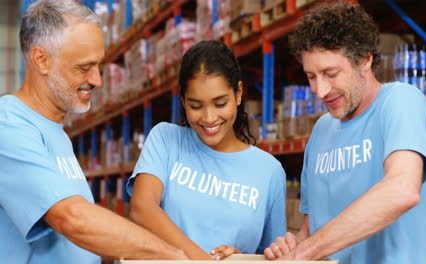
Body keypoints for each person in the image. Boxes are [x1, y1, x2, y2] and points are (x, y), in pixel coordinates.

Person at [0, 0, 188, 263]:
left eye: (98, 66)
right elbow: (73, 218)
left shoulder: (57, 134)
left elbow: (72, 244)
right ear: (41, 60)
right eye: (83, 67)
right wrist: (172, 255)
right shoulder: (8, 125)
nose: (97, 80)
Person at [264, 1, 426, 263]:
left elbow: (402, 188)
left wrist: (304, 252)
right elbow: (311, 231)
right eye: (311, 76)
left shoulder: (400, 101)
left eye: (331, 73)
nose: (320, 91)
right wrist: (291, 246)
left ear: (365, 59)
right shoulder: (321, 131)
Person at [127, 40, 287, 260]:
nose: (209, 118)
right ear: (183, 100)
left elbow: (270, 255)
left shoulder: (269, 171)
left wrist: (240, 258)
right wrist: (203, 260)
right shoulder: (165, 139)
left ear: (238, 93)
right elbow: (142, 207)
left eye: (220, 104)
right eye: (196, 106)